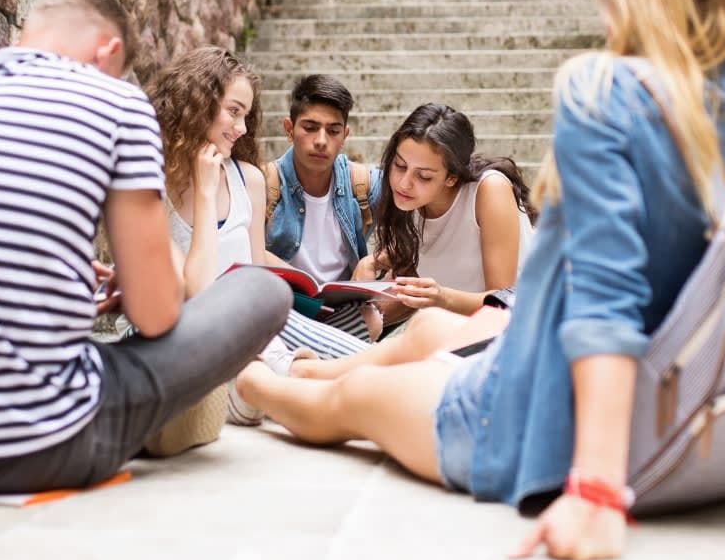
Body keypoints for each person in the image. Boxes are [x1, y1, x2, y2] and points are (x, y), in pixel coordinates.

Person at [232, 0, 725, 560]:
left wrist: (594, 491)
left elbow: (605, 296)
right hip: (705, 452)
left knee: (350, 403)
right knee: (430, 338)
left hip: (552, 435)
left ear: (643, 3)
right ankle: (307, 365)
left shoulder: (607, 92)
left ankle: (248, 380)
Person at [0, 0, 291, 494]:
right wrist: (141, 286)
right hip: (38, 446)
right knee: (263, 289)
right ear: (107, 50)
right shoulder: (118, 105)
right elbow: (156, 317)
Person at [138, 48, 379, 429]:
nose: (243, 129)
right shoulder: (150, 184)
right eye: (234, 111)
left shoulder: (248, 179)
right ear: (197, 103)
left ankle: (430, 364)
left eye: (246, 115)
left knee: (363, 359)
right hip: (189, 330)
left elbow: (253, 288)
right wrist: (204, 193)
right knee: (320, 377)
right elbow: (199, 294)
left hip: (253, 326)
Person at [351, 103, 536, 332]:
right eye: (399, 165)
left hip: (523, 332)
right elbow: (408, 288)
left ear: (452, 178)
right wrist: (368, 267)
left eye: (424, 176)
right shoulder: (412, 203)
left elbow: (503, 302)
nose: (404, 183)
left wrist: (442, 298)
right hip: (463, 335)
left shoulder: (489, 190)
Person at [263, 74, 383, 340]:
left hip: (338, 311)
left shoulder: (361, 183)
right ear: (288, 128)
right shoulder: (263, 185)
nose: (321, 140)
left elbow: (415, 221)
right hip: (278, 313)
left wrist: (373, 260)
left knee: (372, 318)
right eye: (309, 127)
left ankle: (307, 359)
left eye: (333, 130)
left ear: (345, 135)